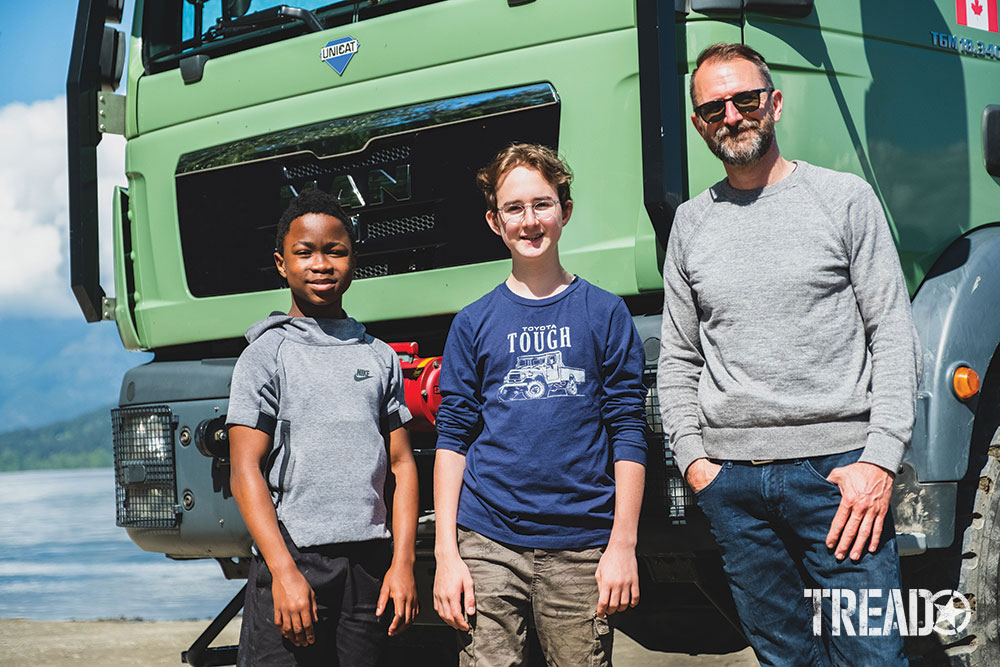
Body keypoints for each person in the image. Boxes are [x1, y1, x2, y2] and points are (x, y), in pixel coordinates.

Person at [658, 42, 921, 665]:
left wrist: (879, 462)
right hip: (734, 485)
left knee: (873, 657)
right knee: (785, 660)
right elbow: (677, 359)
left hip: (837, 479)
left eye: (744, 99)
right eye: (712, 107)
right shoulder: (692, 224)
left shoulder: (844, 200)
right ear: (699, 123)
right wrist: (698, 465)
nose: (731, 116)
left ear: (772, 104)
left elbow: (892, 333)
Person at [432, 143, 648, 666]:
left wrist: (622, 546)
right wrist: (446, 556)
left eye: (542, 204)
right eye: (514, 208)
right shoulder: (474, 322)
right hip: (488, 543)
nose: (530, 221)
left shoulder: (605, 312)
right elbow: (454, 437)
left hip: (581, 546)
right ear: (494, 221)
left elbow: (628, 431)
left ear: (565, 211)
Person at [227, 190, 419, 666]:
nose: (321, 264)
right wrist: (284, 572)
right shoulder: (265, 356)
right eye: (304, 252)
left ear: (353, 260)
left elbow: (402, 465)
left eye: (335, 251)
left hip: (369, 566)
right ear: (281, 263)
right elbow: (244, 469)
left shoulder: (377, 356)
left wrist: (403, 563)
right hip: (294, 560)